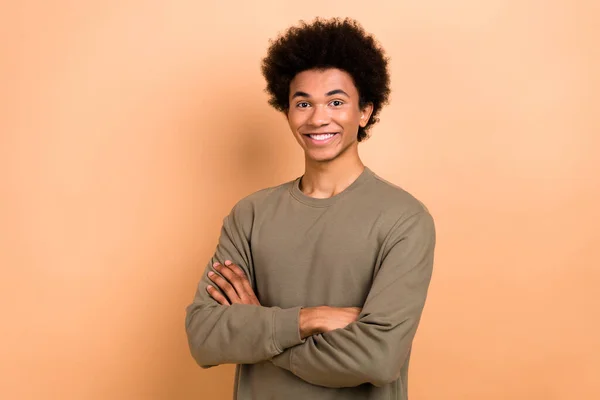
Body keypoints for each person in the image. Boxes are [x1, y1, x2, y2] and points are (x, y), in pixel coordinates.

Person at [185, 17, 436, 400]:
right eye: (303, 103)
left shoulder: (404, 219)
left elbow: (377, 359)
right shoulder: (249, 215)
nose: (318, 118)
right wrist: (309, 319)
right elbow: (204, 336)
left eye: (336, 102)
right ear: (287, 111)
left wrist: (261, 331)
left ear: (364, 112)